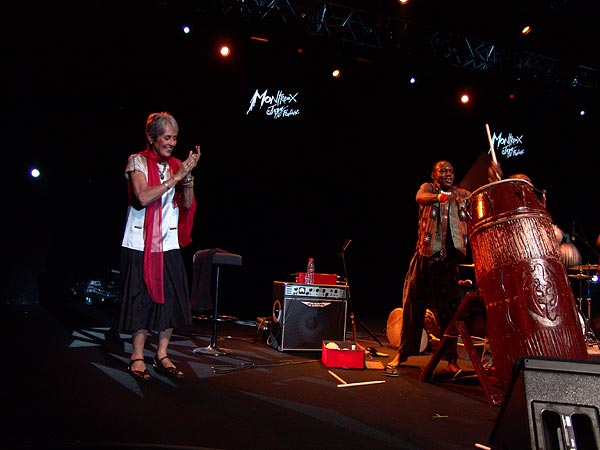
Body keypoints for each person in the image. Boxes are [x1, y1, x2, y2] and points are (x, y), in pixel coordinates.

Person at [119, 111, 200, 381]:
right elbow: (142, 197)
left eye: (175, 138)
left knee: (172, 300)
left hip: (169, 243)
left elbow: (187, 205)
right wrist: (176, 177)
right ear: (151, 137)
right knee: (140, 299)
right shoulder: (137, 161)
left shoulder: (177, 164)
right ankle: (137, 355)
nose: (171, 143)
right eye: (166, 137)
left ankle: (162, 353)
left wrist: (187, 179)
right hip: (139, 243)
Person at [384, 160, 471, 377]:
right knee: (413, 307)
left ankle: (451, 360)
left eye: (451, 171)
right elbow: (419, 197)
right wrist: (439, 197)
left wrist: (495, 176)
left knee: (449, 312)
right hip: (425, 257)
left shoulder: (461, 194)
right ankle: (403, 354)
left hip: (448, 262)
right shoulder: (428, 189)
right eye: (443, 171)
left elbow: (482, 198)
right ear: (434, 175)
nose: (448, 174)